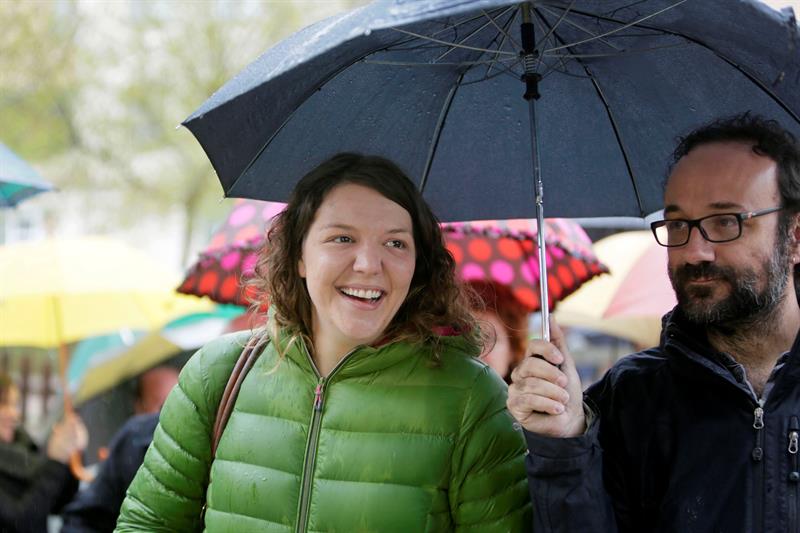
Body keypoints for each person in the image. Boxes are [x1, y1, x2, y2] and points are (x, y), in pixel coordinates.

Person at [115, 153, 532, 531]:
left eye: (395, 243)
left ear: (418, 264)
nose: (369, 264)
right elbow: (148, 524)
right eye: (342, 238)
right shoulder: (217, 374)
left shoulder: (472, 399)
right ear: (299, 255)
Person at [507, 113, 800, 532]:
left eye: (725, 222)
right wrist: (564, 444)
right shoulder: (629, 400)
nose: (695, 251)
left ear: (795, 237)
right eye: (678, 224)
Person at [61, 366, 179, 532]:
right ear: (139, 406)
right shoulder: (134, 439)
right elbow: (85, 518)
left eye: (176, 400)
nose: (171, 411)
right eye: (161, 404)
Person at [0, 372, 87, 532]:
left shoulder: (26, 447)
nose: (14, 413)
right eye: (4, 404)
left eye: (15, 404)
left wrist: (70, 456)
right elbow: (20, 522)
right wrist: (55, 462)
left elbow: (60, 503)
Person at [468, 280, 530, 381]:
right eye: (465, 338)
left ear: (513, 351)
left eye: (487, 338)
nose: (476, 353)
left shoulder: (533, 394)